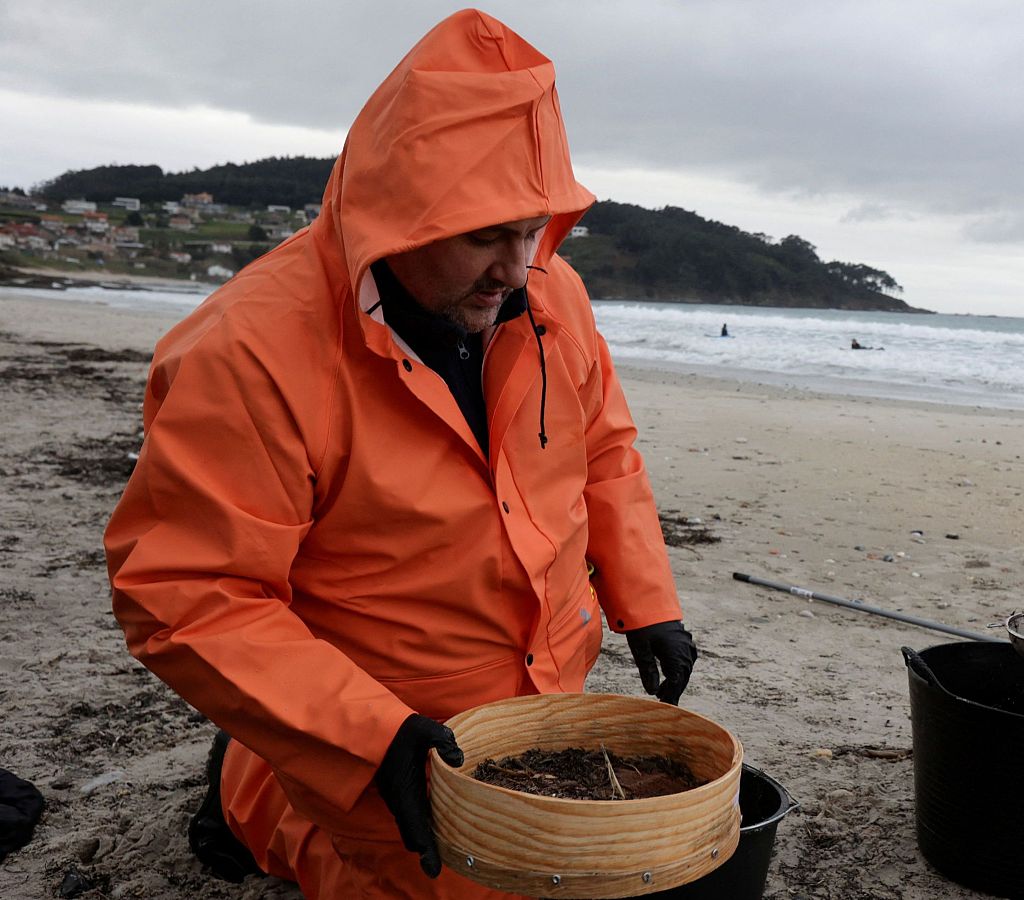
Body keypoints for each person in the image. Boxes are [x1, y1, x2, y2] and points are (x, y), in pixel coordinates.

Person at [104, 11, 697, 898]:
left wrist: (645, 599)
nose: (514, 268)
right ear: (402, 218)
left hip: (536, 707)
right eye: (483, 236)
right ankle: (253, 788)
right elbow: (189, 592)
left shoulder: (549, 294)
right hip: (374, 727)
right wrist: (365, 736)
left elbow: (603, 453)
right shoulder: (249, 353)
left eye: (532, 229)